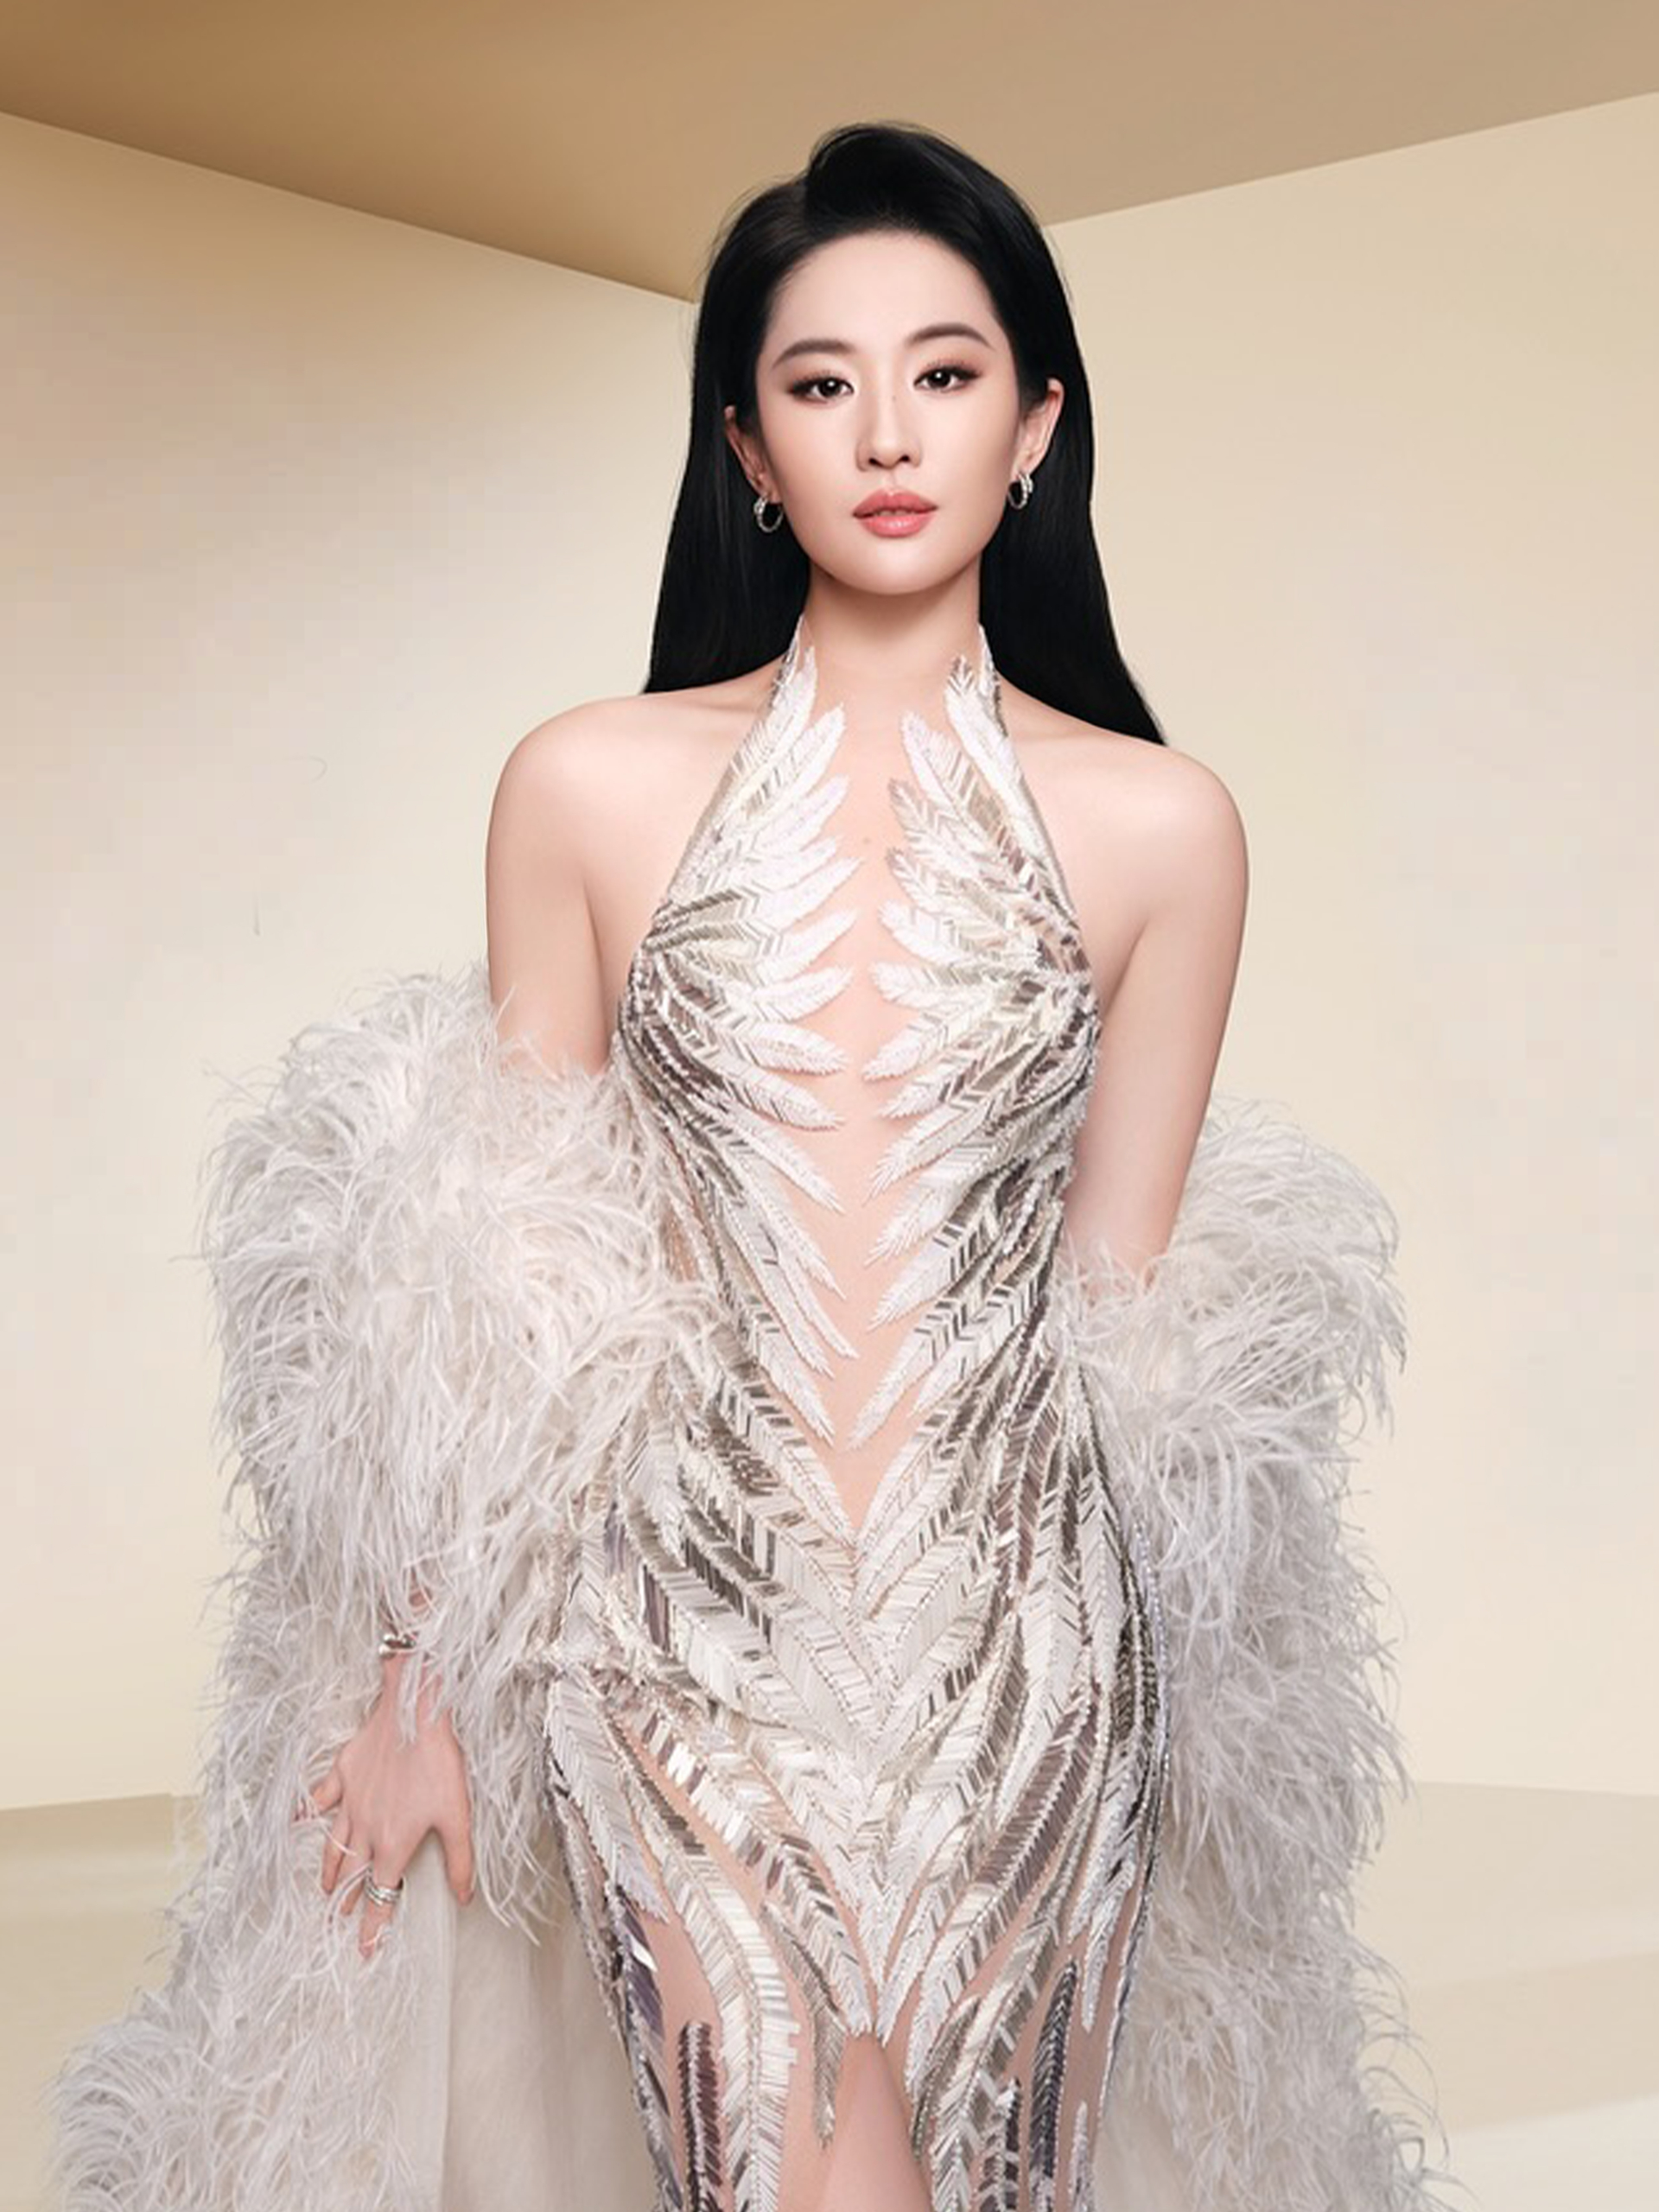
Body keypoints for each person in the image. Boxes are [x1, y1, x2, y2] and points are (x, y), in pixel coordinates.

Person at [48, 123, 1457, 2212]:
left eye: (946, 373)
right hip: (680, 1645)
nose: (887, 432)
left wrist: (1214, 1738)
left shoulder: (1169, 827)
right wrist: (417, 1671)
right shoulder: (587, 786)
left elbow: (1135, 1326)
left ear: (1037, 424)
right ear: (748, 447)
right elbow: (499, 1276)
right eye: (821, 382)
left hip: (1037, 1665)